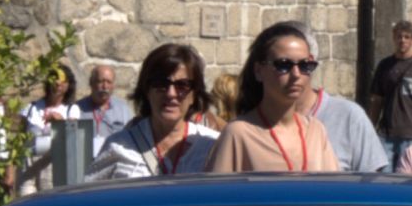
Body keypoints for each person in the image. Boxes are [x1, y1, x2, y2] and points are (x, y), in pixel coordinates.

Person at [207, 23, 341, 175]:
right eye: (283, 65)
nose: (296, 74)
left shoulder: (316, 130)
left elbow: (333, 186)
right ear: (259, 70)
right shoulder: (238, 133)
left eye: (305, 65)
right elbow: (218, 189)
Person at [88, 42, 217, 179]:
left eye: (182, 85)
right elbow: (89, 190)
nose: (171, 93)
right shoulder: (118, 147)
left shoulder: (212, 146)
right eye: (161, 84)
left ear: (194, 94)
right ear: (147, 90)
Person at [295, 23, 388, 172]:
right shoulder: (255, 125)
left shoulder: (349, 116)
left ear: (311, 63)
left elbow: (371, 180)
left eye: (301, 64)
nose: (293, 73)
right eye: (281, 64)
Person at [368, 19, 412, 169]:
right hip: (387, 132)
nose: (402, 40)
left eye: (406, 37)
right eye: (399, 36)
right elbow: (377, 99)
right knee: (383, 175)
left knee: (407, 176)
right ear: (394, 38)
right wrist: (371, 126)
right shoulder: (384, 65)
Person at [9, 64, 76, 194]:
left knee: (49, 201)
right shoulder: (31, 107)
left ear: (69, 86)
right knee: (25, 201)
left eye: (63, 80)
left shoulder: (71, 110)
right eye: (55, 78)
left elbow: (73, 137)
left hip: (51, 166)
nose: (58, 83)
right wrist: (10, 169)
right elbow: (17, 141)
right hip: (28, 164)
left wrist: (61, 121)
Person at [73, 63, 133, 148]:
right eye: (100, 81)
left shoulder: (123, 109)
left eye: (109, 82)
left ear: (113, 85)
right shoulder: (77, 109)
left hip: (113, 155)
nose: (105, 86)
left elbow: (130, 137)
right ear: (91, 83)